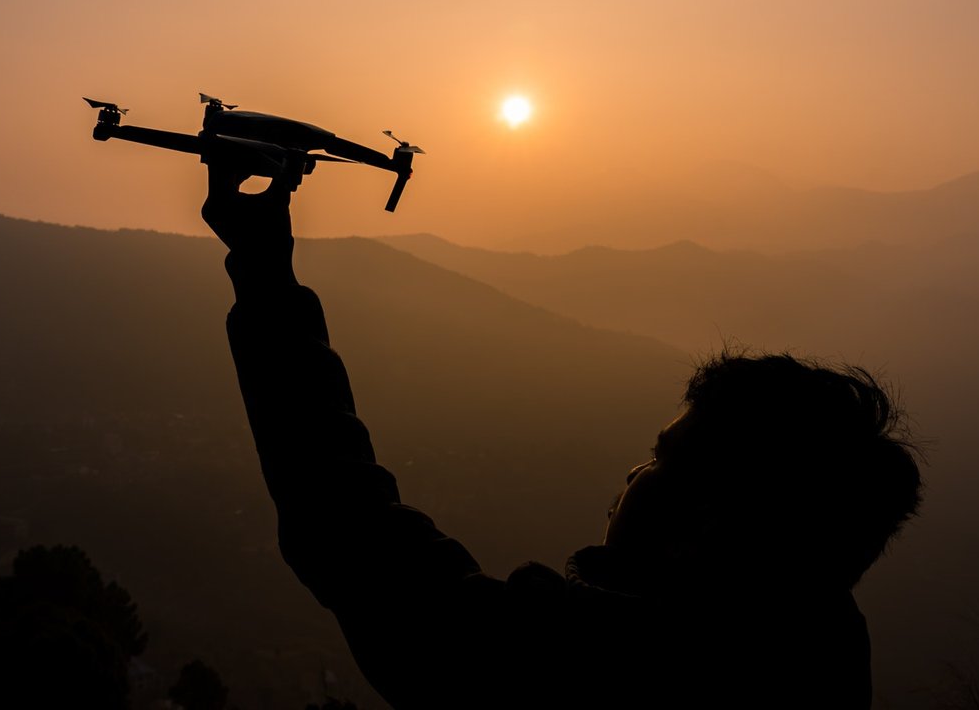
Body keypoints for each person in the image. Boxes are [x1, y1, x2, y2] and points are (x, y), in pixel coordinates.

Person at [203, 167, 923, 708]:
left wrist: (265, 277)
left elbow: (353, 534)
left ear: (701, 526)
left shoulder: (588, 664)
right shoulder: (820, 647)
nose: (632, 473)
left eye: (659, 460)